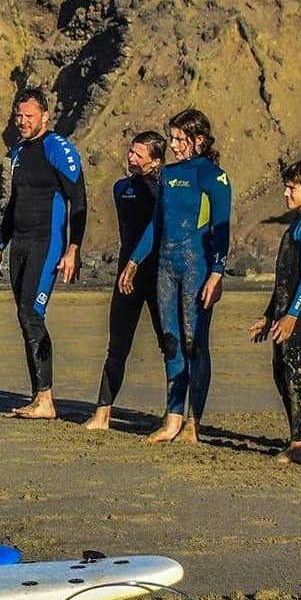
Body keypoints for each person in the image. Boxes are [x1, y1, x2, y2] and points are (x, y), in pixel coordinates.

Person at [120, 107, 231, 444]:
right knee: (171, 344)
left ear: (199, 140)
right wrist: (134, 261)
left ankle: (193, 424)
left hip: (197, 268)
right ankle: (172, 420)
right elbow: (157, 224)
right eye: (172, 138)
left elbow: (222, 230)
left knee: (194, 343)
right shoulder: (168, 175)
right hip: (166, 268)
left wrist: (217, 273)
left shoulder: (214, 177)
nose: (175, 145)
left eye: (180, 139)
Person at [0, 88, 87, 420]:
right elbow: (14, 203)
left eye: (29, 116)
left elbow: (79, 199)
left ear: (46, 116)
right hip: (21, 245)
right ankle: (39, 397)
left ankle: (46, 400)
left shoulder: (58, 149)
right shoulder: (17, 152)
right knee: (24, 317)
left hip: (48, 243)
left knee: (31, 314)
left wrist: (73, 249)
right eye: (18, 115)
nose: (22, 121)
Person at [249, 158, 301, 464]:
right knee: (282, 374)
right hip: (285, 310)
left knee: (294, 374)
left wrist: (292, 315)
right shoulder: (298, 223)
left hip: (300, 310)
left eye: (291, 187)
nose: (285, 193)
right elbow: (283, 278)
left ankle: (299, 444)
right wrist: (270, 314)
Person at [85, 131, 166, 430]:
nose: (130, 158)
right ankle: (102, 413)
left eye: (138, 155)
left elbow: (158, 220)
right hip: (126, 275)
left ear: (155, 161)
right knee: (117, 345)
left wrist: (155, 178)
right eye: (130, 152)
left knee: (169, 345)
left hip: (159, 276)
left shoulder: (165, 190)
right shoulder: (121, 188)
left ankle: (174, 416)